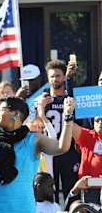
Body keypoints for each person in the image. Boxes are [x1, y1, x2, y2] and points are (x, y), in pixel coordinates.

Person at [42, 59, 80, 203]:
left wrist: (70, 78)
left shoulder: (69, 99)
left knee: (71, 190)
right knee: (48, 191)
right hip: (49, 151)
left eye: (58, 75)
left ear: (63, 77)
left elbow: (72, 95)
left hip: (68, 151)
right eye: (51, 76)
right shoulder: (43, 99)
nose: (54, 79)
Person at [67, 113, 102, 205]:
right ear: (93, 123)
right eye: (97, 120)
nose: (100, 122)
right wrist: (68, 112)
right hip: (89, 187)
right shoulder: (87, 135)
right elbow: (71, 126)